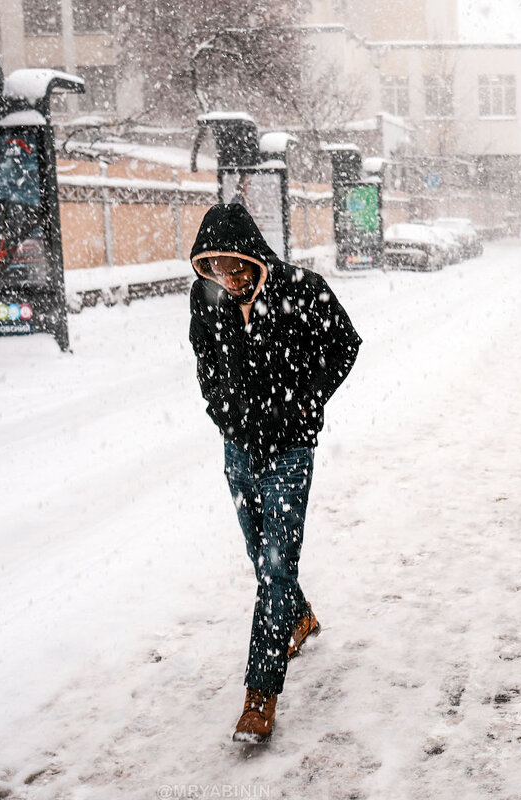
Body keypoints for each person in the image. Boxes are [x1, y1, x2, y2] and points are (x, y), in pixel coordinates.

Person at [188, 203, 361, 744]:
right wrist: (223, 413)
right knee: (260, 552)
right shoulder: (207, 297)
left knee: (275, 565)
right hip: (239, 450)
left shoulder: (302, 289)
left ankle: (260, 695)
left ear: (255, 256)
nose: (230, 278)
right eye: (216, 269)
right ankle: (300, 616)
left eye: (237, 266)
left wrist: (304, 403)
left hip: (288, 449)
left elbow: (345, 345)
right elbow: (206, 362)